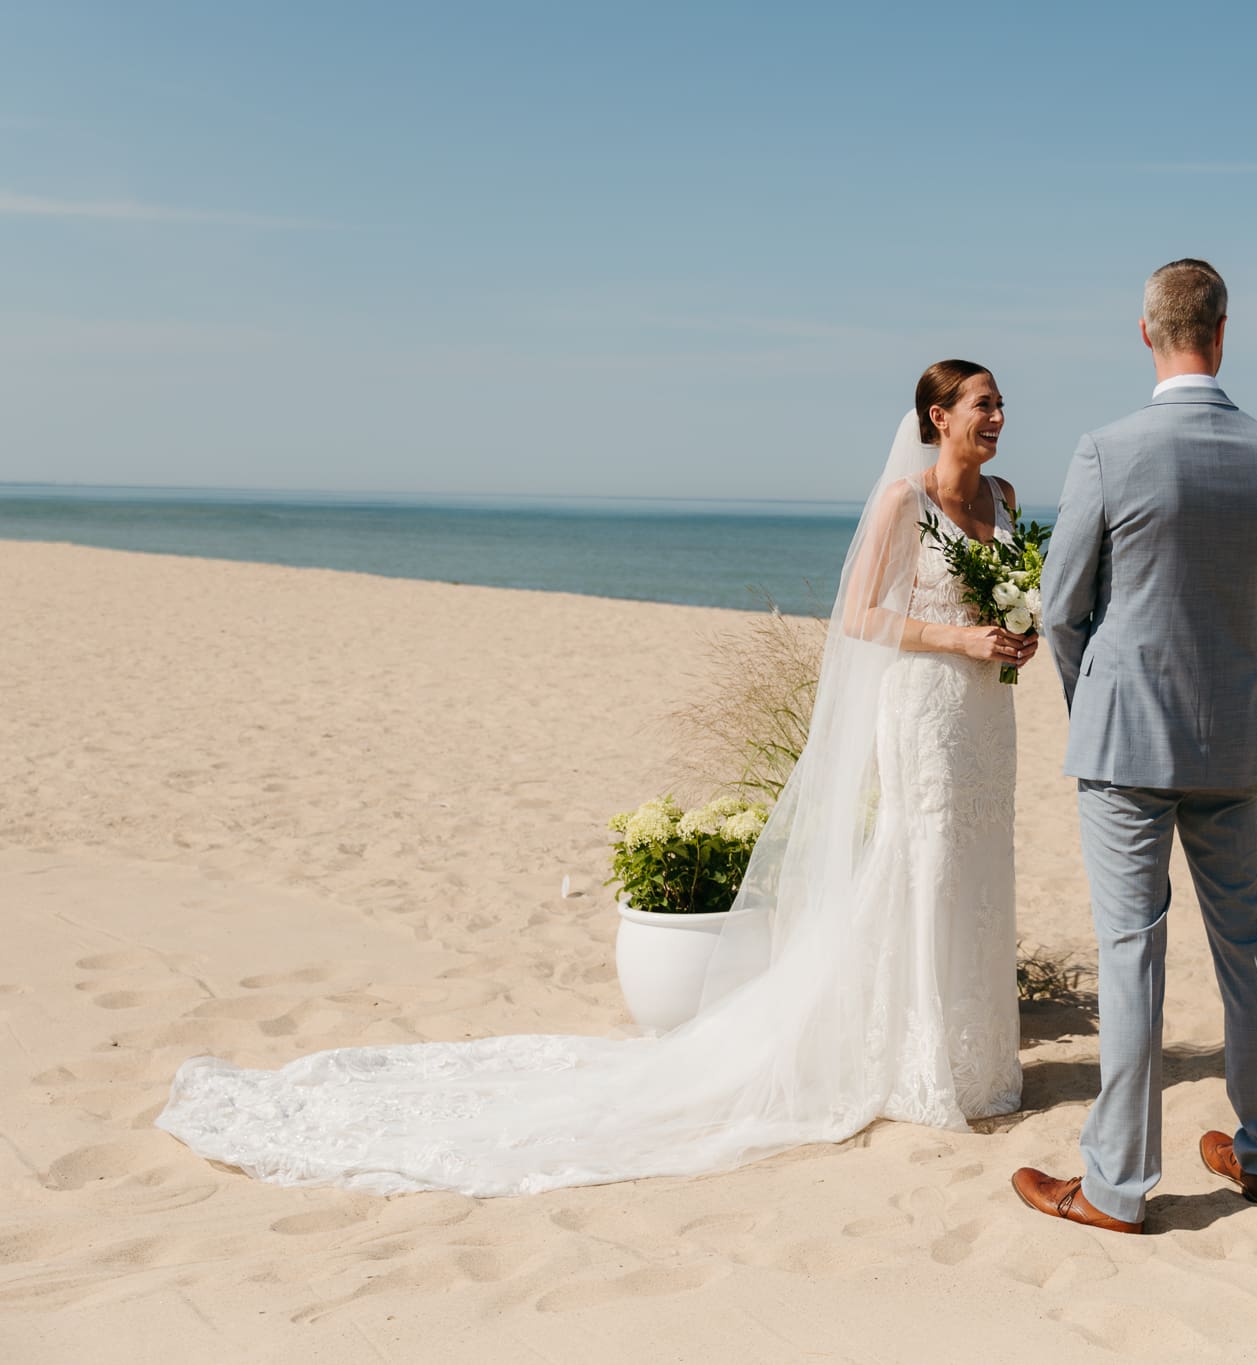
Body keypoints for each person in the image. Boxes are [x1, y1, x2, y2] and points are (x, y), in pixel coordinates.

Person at [155, 361, 1035, 1195]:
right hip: (922, 706)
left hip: (986, 712)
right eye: (982, 405)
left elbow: (1009, 587)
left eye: (1000, 406)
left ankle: (976, 1057)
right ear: (938, 417)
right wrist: (959, 637)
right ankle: (913, 1056)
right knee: (915, 862)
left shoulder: (1004, 499)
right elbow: (859, 614)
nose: (996, 419)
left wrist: (1017, 631)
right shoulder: (901, 501)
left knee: (978, 863)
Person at [1012, 259, 1257, 1235]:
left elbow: (1060, 608)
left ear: (1146, 333)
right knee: (1247, 950)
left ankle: (1117, 1187)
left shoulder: (1107, 449)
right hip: (1228, 735)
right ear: (1222, 331)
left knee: (1131, 955)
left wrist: (1090, 695)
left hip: (1125, 736)